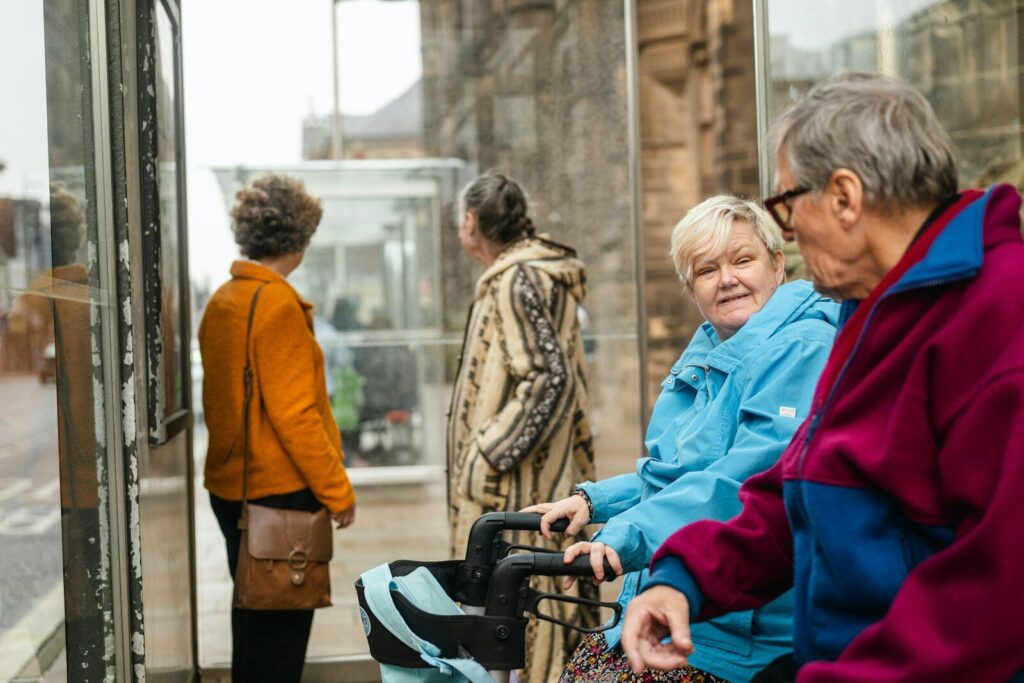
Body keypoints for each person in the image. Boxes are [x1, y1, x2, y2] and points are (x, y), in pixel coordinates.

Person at [620, 72, 1024, 683]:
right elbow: (804, 480)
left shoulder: (999, 320)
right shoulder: (869, 309)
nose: (787, 233)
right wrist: (688, 577)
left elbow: (995, 595)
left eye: (785, 205)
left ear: (843, 196)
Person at [525, 195, 838, 683]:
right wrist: (595, 501)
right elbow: (684, 472)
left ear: (777, 265)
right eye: (707, 269)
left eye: (742, 260)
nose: (728, 279)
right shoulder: (714, 349)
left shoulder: (800, 348)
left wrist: (629, 534)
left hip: (736, 631)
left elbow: (743, 479)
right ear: (692, 291)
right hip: (684, 607)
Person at [200, 173, 357, 683]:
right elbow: (296, 416)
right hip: (280, 496)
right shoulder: (278, 307)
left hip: (232, 490)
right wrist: (337, 491)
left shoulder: (223, 301)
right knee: (280, 644)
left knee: (252, 620)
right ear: (300, 239)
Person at [447, 170, 596, 682]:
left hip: (519, 486)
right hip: (541, 477)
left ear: (471, 223)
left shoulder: (515, 279)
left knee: (519, 620)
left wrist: (487, 452)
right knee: (539, 611)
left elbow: (549, 379)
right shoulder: (530, 273)